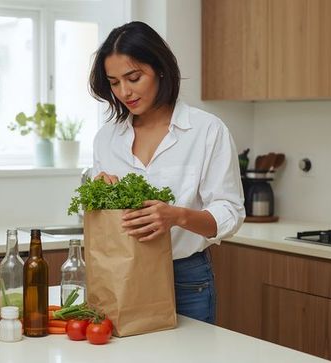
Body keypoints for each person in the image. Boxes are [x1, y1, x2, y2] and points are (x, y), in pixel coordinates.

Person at [88, 21, 245, 324]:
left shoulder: (206, 130)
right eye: (114, 82)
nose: (124, 91)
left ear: (159, 68)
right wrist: (100, 194)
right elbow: (101, 221)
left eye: (134, 78)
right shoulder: (106, 139)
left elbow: (231, 212)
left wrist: (177, 216)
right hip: (121, 274)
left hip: (186, 278)